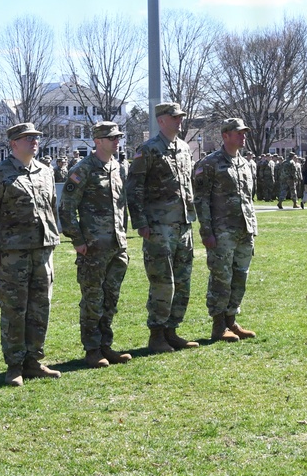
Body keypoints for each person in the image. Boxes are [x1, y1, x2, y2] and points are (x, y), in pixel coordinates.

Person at [0, 122, 61, 387]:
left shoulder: (45, 171)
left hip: (42, 250)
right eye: (28, 138)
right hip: (12, 253)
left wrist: (52, 237)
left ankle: (33, 361)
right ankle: (14, 365)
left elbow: (51, 207)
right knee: (14, 309)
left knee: (40, 307)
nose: (34, 141)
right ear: (14, 143)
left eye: (36, 137)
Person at [126, 102, 199, 354]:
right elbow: (134, 188)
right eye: (174, 117)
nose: (179, 121)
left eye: (180, 117)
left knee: (183, 280)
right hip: (159, 226)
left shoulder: (184, 148)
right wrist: (141, 222)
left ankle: (172, 330)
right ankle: (156, 334)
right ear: (161, 120)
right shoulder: (148, 150)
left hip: (183, 224)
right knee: (162, 281)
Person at [59, 121, 133, 369]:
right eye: (112, 138)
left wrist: (123, 237)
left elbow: (121, 206)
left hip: (116, 245)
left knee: (111, 297)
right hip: (93, 247)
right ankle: (92, 349)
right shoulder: (83, 169)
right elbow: (66, 208)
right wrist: (78, 240)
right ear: (98, 141)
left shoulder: (118, 167)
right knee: (92, 298)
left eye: (118, 137)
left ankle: (106, 345)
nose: (117, 141)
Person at [195, 117, 258, 343]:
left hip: (244, 229)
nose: (243, 136)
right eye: (238, 133)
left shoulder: (245, 163)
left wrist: (252, 227)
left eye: (244, 133)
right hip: (221, 231)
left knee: (240, 276)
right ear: (225, 135)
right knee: (221, 277)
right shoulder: (209, 163)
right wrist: (207, 232)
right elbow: (201, 200)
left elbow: (248, 198)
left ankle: (231, 320)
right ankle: (219, 325)